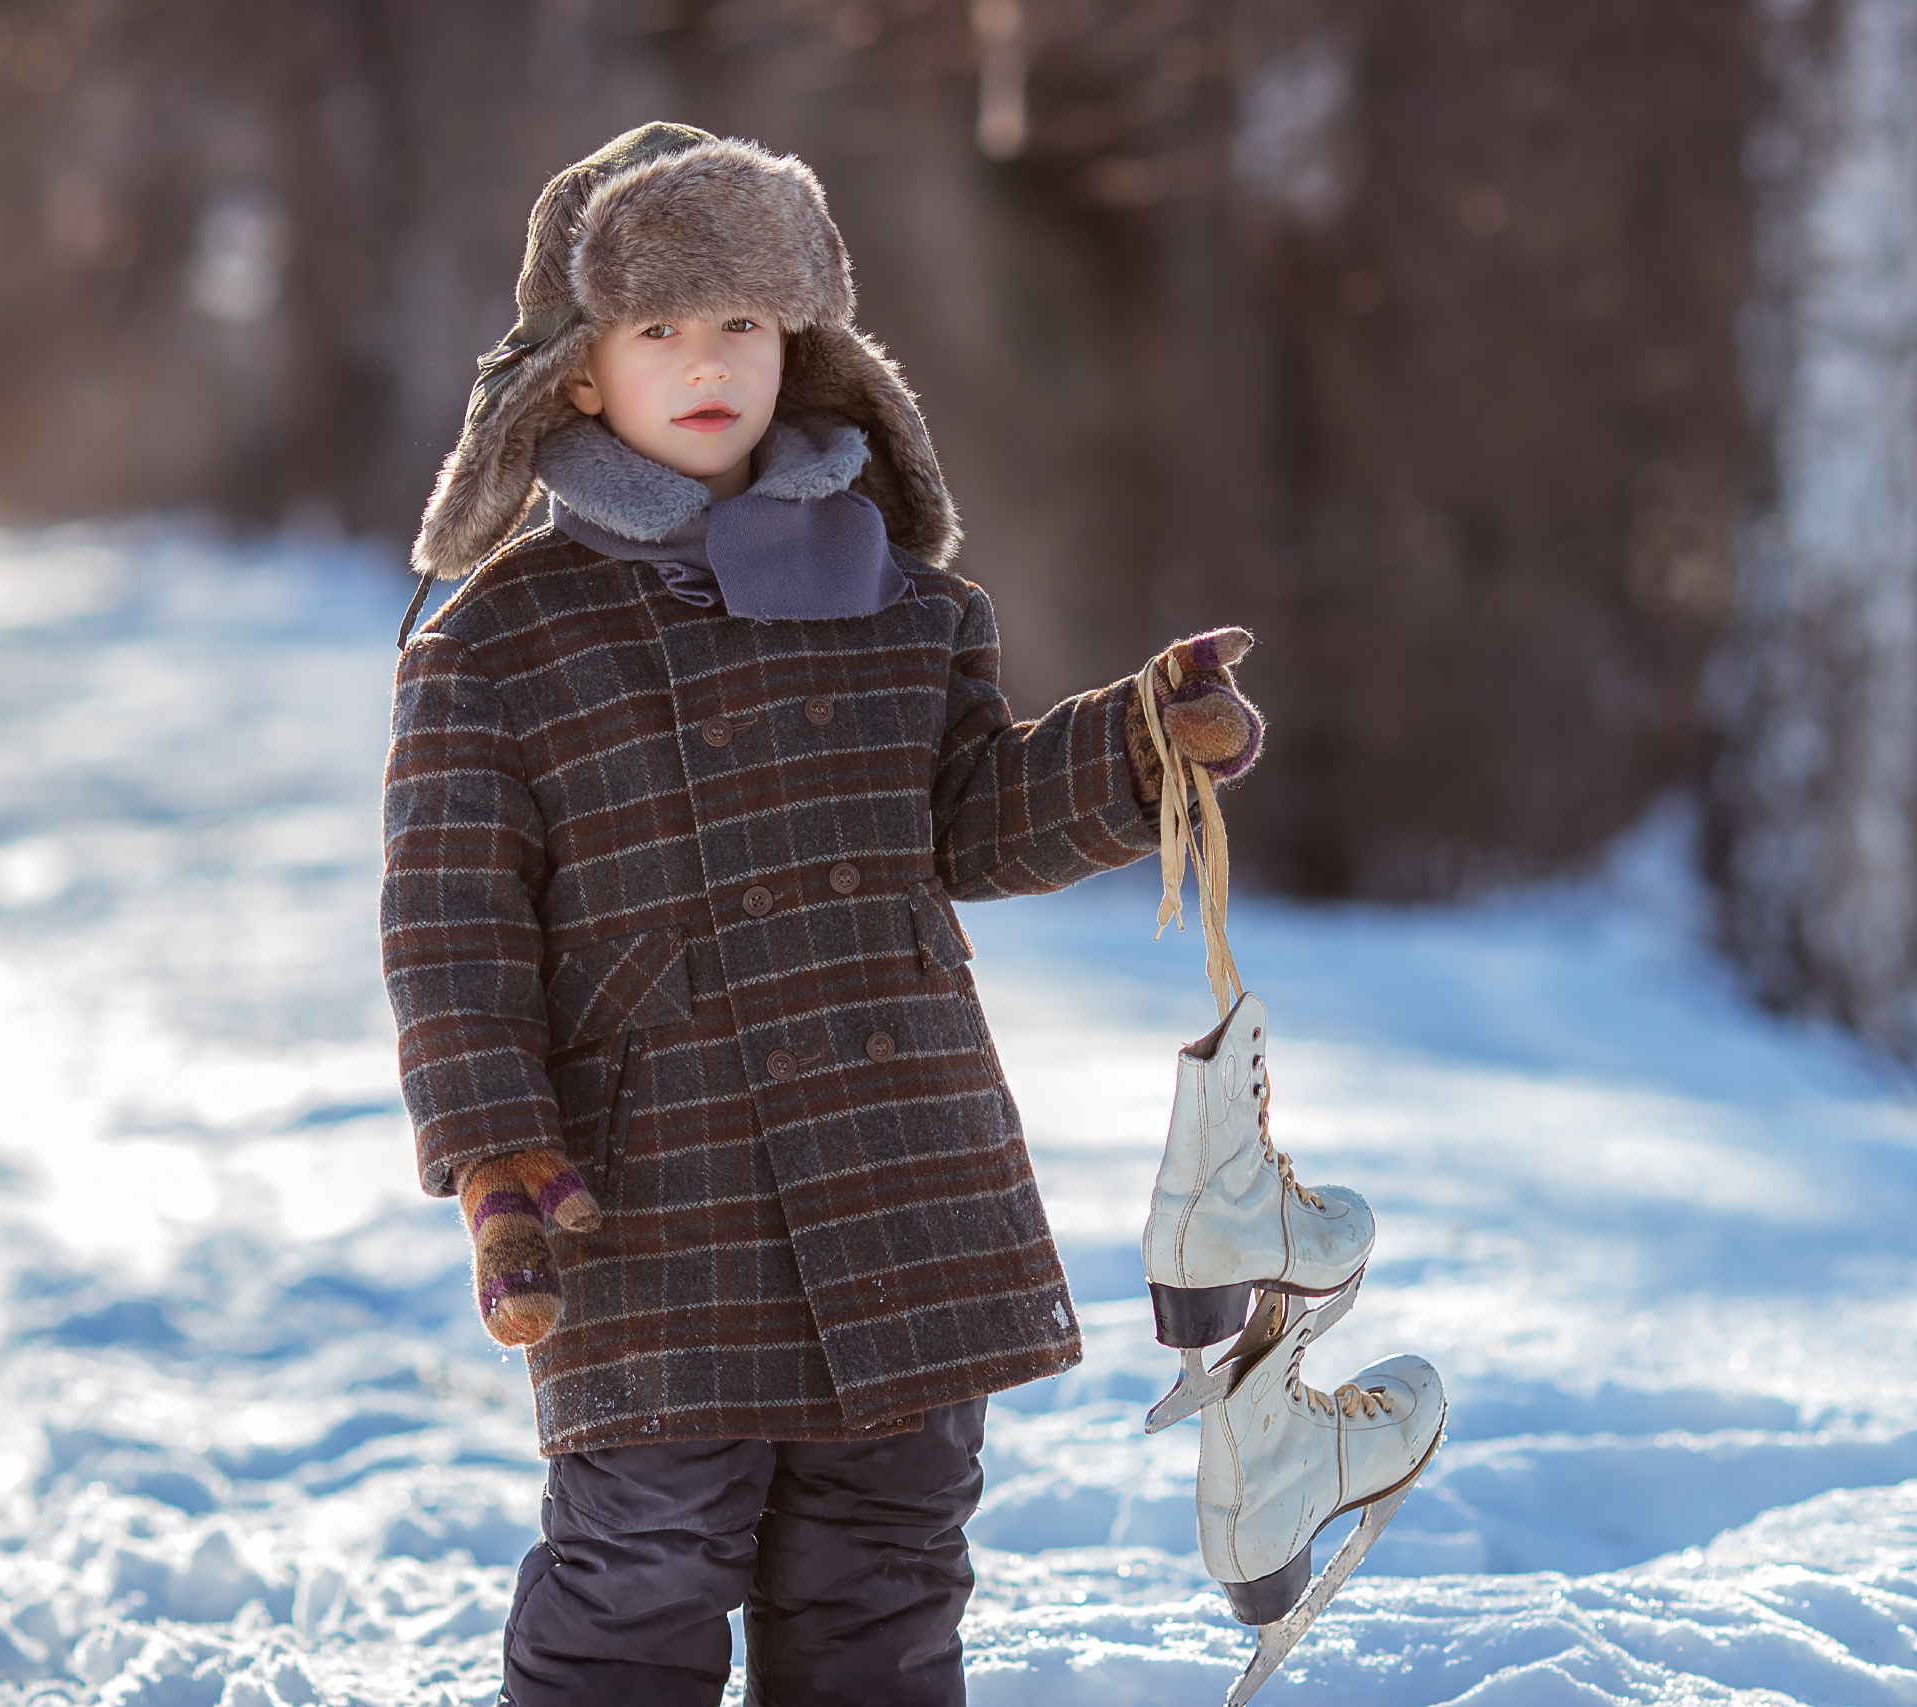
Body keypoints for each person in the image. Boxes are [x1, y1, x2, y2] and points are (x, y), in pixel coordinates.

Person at [380, 121, 1263, 1707]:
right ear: (578, 375)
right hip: (654, 1187)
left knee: (887, 1559)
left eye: (743, 323)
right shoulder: (495, 644)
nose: (705, 358)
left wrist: (1140, 747)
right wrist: (499, 1156)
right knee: (644, 1553)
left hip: (896, 1155)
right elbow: (452, 930)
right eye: (658, 327)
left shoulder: (908, 608)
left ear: (801, 345)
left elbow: (970, 819)